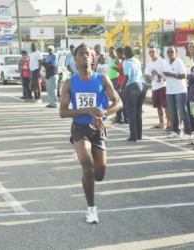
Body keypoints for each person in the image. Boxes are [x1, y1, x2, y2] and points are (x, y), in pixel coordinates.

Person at [59, 44, 122, 224]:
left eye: (88, 54)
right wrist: (87, 110)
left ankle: (83, 156)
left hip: (98, 129)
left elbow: (118, 102)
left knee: (99, 174)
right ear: (76, 59)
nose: (85, 56)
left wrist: (103, 113)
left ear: (92, 58)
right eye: (81, 54)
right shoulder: (69, 83)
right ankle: (91, 209)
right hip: (80, 128)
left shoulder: (102, 79)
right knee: (87, 166)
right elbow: (63, 112)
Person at [163, 46, 192, 140]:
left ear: (176, 53)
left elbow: (184, 75)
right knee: (173, 112)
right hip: (170, 90)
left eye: (172, 52)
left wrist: (171, 74)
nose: (170, 54)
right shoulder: (167, 63)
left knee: (182, 111)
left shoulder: (179, 62)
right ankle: (176, 131)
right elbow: (165, 75)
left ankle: (188, 131)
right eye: (168, 52)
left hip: (180, 90)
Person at [121, 46, 147, 141]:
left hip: (132, 86)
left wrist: (121, 88)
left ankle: (133, 135)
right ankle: (139, 135)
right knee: (138, 111)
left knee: (131, 112)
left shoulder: (126, 62)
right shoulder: (137, 60)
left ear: (125, 53)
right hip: (142, 85)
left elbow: (127, 77)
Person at [145, 46, 171, 130]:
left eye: (153, 52)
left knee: (166, 105)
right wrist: (149, 76)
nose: (152, 53)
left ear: (157, 53)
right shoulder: (149, 63)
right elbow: (147, 74)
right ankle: (161, 123)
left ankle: (169, 123)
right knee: (158, 106)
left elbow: (167, 72)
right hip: (155, 87)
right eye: (150, 52)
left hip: (163, 86)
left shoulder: (162, 61)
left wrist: (162, 79)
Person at [114, 47, 128, 124]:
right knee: (117, 100)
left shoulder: (126, 61)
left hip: (123, 83)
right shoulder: (122, 61)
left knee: (124, 102)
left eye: (118, 54)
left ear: (122, 53)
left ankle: (126, 119)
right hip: (119, 82)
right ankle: (118, 118)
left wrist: (118, 68)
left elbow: (125, 72)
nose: (117, 55)